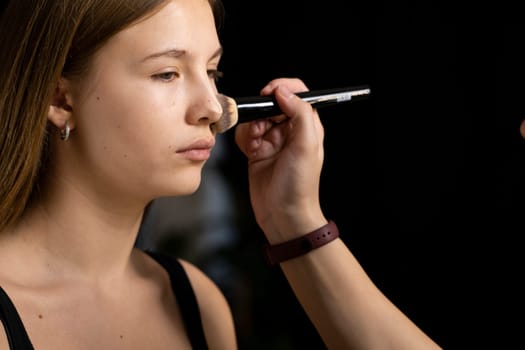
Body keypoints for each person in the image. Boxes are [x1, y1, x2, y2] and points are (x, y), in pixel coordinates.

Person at [0, 0, 442, 349]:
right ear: (59, 100)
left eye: (212, 72)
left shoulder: (195, 302)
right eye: (167, 73)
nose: (213, 107)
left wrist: (293, 213)